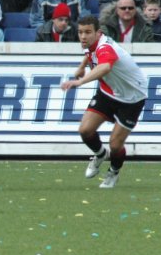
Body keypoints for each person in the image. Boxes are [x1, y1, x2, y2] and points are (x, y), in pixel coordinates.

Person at [60, 15, 148, 189]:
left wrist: (79, 81)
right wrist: (81, 67)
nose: (83, 37)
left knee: (115, 144)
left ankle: (113, 172)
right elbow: (89, 54)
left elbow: (105, 66)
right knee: (85, 130)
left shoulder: (105, 47)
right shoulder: (91, 44)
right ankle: (100, 154)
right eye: (80, 32)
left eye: (87, 32)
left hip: (132, 98)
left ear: (98, 33)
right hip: (108, 92)